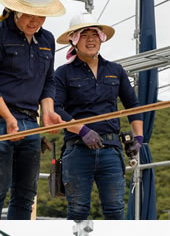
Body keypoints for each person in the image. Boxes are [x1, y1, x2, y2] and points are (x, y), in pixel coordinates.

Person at [0, 0, 65, 219]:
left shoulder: (46, 40)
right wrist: (7, 117)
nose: (36, 22)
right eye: (30, 15)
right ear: (15, 10)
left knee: (26, 193)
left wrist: (47, 111)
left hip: (28, 120)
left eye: (41, 15)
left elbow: (48, 80)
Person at [54, 13, 145, 220]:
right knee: (78, 211)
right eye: (84, 35)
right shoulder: (63, 73)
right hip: (77, 149)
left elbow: (133, 105)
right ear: (73, 40)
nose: (91, 39)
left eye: (94, 34)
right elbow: (56, 110)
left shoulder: (115, 71)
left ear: (101, 38)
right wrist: (82, 130)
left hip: (110, 150)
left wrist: (138, 138)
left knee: (115, 210)